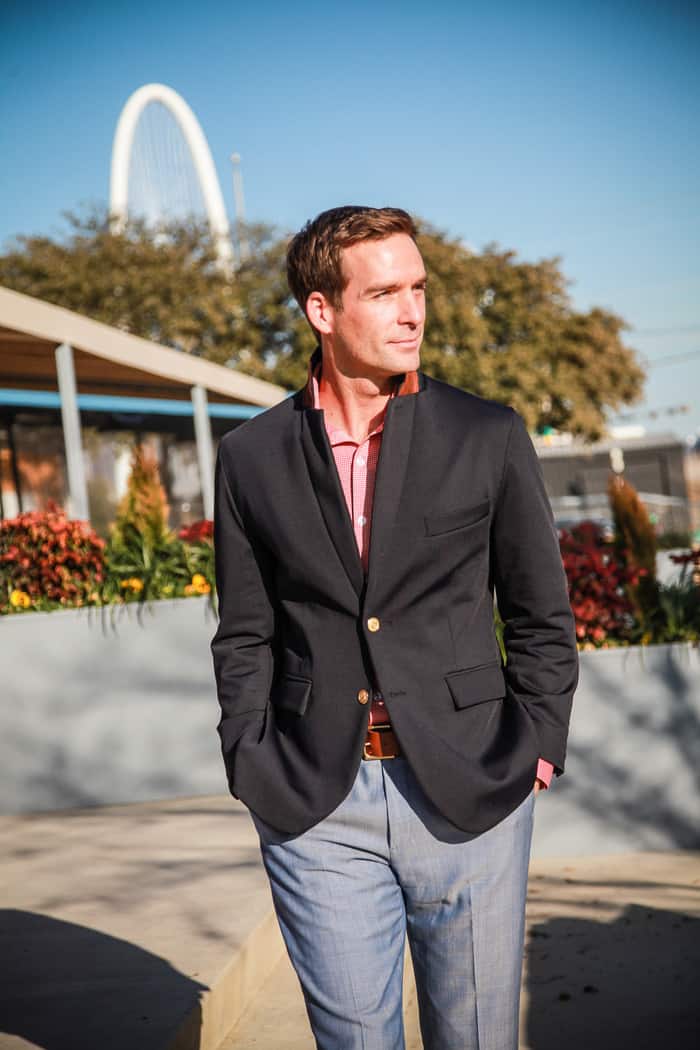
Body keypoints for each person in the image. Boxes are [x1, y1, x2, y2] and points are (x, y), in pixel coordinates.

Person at [211, 205, 578, 1050]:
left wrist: (537, 745)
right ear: (322, 309)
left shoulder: (486, 433)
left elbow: (540, 613)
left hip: (472, 787)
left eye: (418, 289)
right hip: (315, 798)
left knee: (475, 1037)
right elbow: (245, 633)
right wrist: (249, 758)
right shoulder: (251, 457)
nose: (412, 312)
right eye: (384, 293)